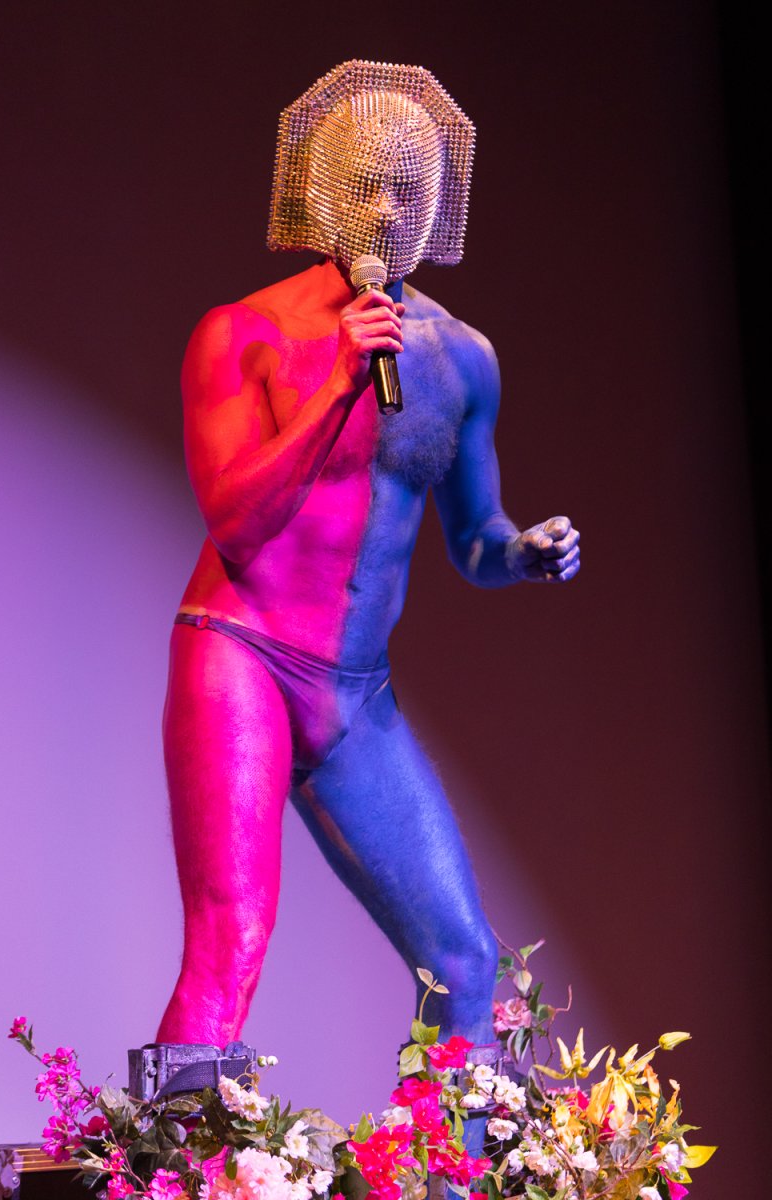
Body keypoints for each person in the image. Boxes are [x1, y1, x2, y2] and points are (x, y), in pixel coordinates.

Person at [156, 62, 580, 1056]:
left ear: (436, 205)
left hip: (355, 695)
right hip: (242, 654)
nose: (387, 208)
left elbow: (471, 539)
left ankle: (434, 1169)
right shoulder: (242, 334)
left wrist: (519, 552)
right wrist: (337, 387)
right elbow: (234, 519)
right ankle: (166, 1171)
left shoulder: (461, 359)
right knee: (232, 943)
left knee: (465, 964)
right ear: (322, 193)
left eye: (407, 188)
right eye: (367, 185)